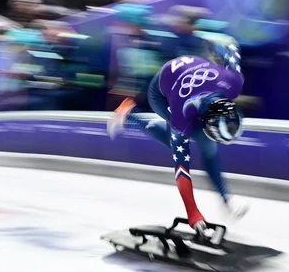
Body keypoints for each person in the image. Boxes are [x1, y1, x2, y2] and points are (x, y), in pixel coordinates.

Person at [107, 41, 249, 234]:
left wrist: (215, 46)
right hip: (161, 93)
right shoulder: (183, 115)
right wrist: (193, 213)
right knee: (177, 140)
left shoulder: (234, 82)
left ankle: (227, 200)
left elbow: (231, 50)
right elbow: (182, 169)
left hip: (189, 77)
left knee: (208, 147)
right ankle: (128, 113)